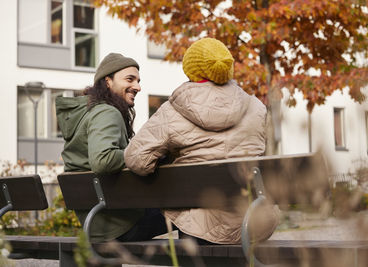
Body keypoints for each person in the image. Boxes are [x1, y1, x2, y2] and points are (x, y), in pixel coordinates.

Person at [124, 38, 281, 245]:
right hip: (253, 222)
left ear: (191, 69)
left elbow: (136, 161)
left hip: (199, 229)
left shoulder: (172, 111)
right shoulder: (257, 108)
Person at [56, 53, 167, 242]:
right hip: (119, 225)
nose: (138, 87)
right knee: (189, 207)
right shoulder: (107, 112)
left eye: (138, 81)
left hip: (95, 224)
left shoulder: (86, 114)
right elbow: (102, 160)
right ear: (108, 81)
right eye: (129, 79)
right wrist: (142, 152)